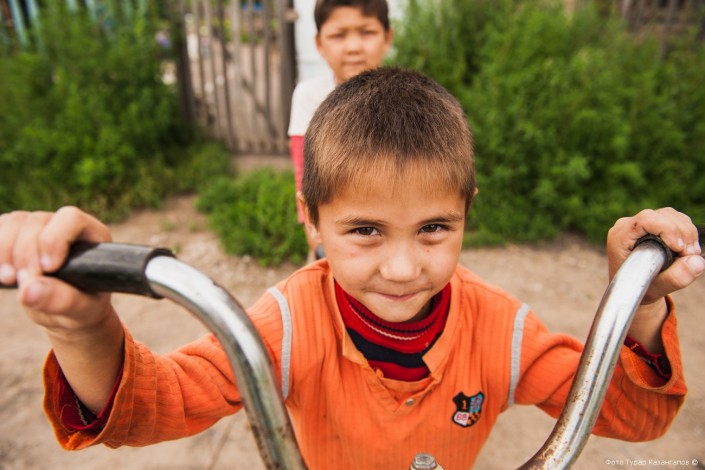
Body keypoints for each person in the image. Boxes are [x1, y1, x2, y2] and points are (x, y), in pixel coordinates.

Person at [1, 67, 703, 469]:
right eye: (365, 230)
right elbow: (152, 407)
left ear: (467, 212)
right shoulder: (285, 326)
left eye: (433, 229)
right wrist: (83, 328)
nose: (401, 267)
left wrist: (638, 302)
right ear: (309, 219)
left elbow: (634, 414)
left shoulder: (502, 329)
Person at [288, 0, 394, 262]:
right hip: (333, 234)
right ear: (319, 44)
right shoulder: (308, 96)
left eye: (367, 32)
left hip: (393, 230)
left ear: (387, 38)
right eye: (338, 35)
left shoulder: (404, 96)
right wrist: (316, 240)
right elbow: (304, 173)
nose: (354, 46)